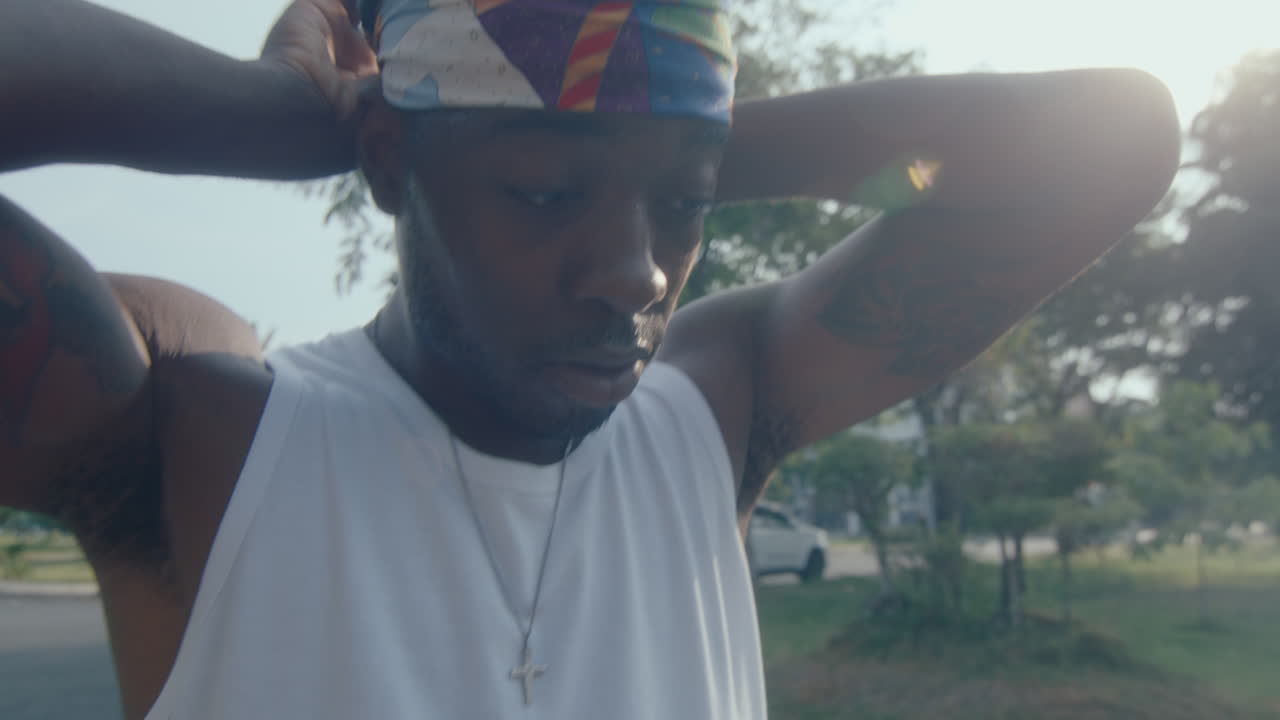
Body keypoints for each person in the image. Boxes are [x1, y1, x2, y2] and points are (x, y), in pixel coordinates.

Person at [0, 0, 1179, 717]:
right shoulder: (202, 432)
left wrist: (653, 127)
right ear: (390, 165)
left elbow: (1114, 137)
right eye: (545, 188)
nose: (642, 274)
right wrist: (289, 108)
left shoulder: (709, 414)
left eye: (683, 205)